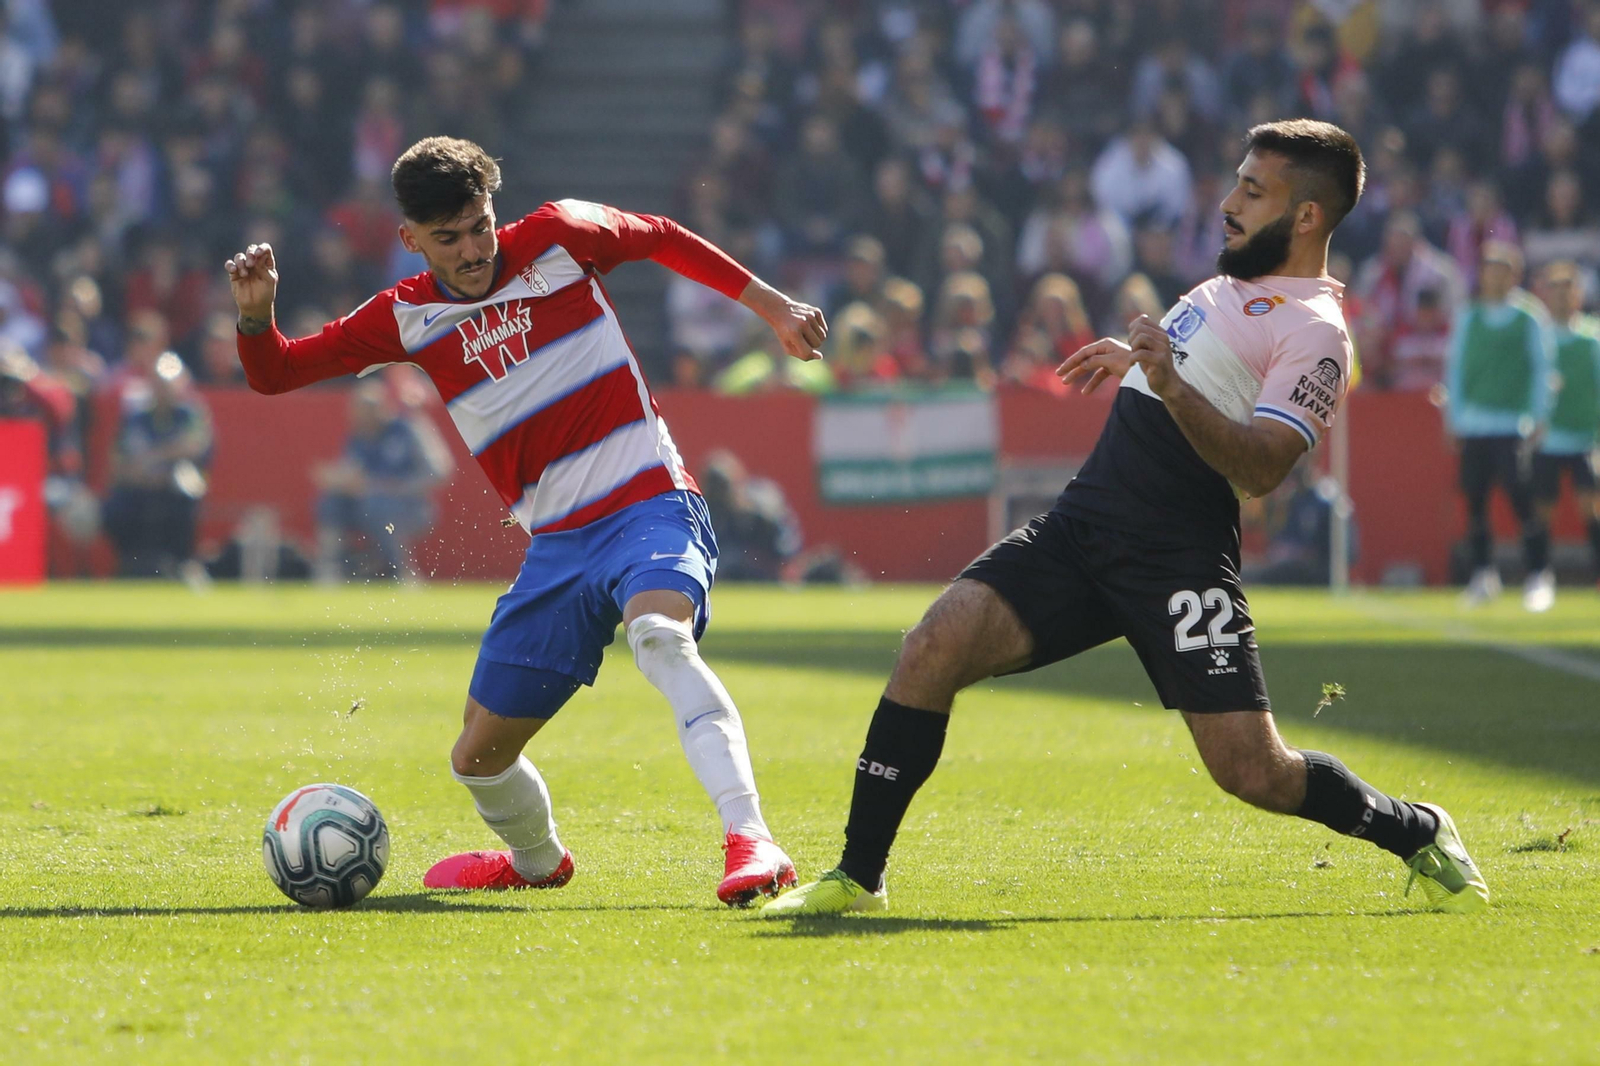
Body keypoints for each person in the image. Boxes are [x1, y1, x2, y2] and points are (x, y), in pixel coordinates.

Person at [765, 120, 1487, 918]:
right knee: (932, 645)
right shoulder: (1224, 286)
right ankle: (857, 877)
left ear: (1307, 216)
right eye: (1235, 181)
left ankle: (1417, 829)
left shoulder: (1316, 333)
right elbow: (1187, 373)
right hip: (1082, 529)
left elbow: (1261, 468)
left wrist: (1170, 383)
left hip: (1176, 561)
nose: (1228, 202)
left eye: (1253, 189)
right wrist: (1139, 366)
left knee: (1255, 772)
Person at [226, 136, 827, 906]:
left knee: (659, 637)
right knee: (476, 758)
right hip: (558, 547)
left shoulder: (559, 237)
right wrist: (255, 316)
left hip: (650, 502)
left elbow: (663, 236)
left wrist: (771, 306)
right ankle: (536, 861)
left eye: (480, 225)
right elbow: (275, 373)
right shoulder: (405, 318)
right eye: (449, 238)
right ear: (410, 240)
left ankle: (753, 840)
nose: (474, 249)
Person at [1446, 241, 1556, 610]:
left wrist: (1541, 415)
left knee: (1522, 499)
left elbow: (1543, 368)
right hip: (1475, 425)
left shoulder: (1530, 316)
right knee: (1475, 501)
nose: (1493, 276)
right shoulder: (1468, 316)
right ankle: (1483, 574)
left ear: (1515, 274)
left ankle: (1539, 573)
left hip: (1514, 424)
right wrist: (1454, 419)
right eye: (1488, 268)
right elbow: (1456, 371)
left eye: (1501, 269)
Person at [312, 380, 449, 581]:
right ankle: (332, 567)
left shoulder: (408, 428)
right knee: (331, 502)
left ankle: (401, 571)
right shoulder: (357, 437)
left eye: (367, 410)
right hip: (366, 504)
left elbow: (439, 472)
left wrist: (392, 487)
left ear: (383, 407)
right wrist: (339, 479)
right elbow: (355, 473)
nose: (361, 417)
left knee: (378, 504)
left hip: (412, 507)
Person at [101, 353, 213, 582]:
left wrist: (154, 459)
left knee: (185, 483)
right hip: (139, 486)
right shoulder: (137, 417)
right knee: (116, 504)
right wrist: (141, 471)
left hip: (174, 484)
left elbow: (194, 446)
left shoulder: (190, 414)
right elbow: (119, 459)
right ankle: (130, 561)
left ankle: (182, 560)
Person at [1532, 262, 1600, 585]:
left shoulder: (1592, 338)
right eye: (1554, 293)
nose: (1560, 300)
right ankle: (1541, 575)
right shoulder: (1537, 335)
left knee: (1592, 506)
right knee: (1543, 510)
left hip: (1584, 436)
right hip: (1546, 439)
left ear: (1578, 296)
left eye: (1567, 292)